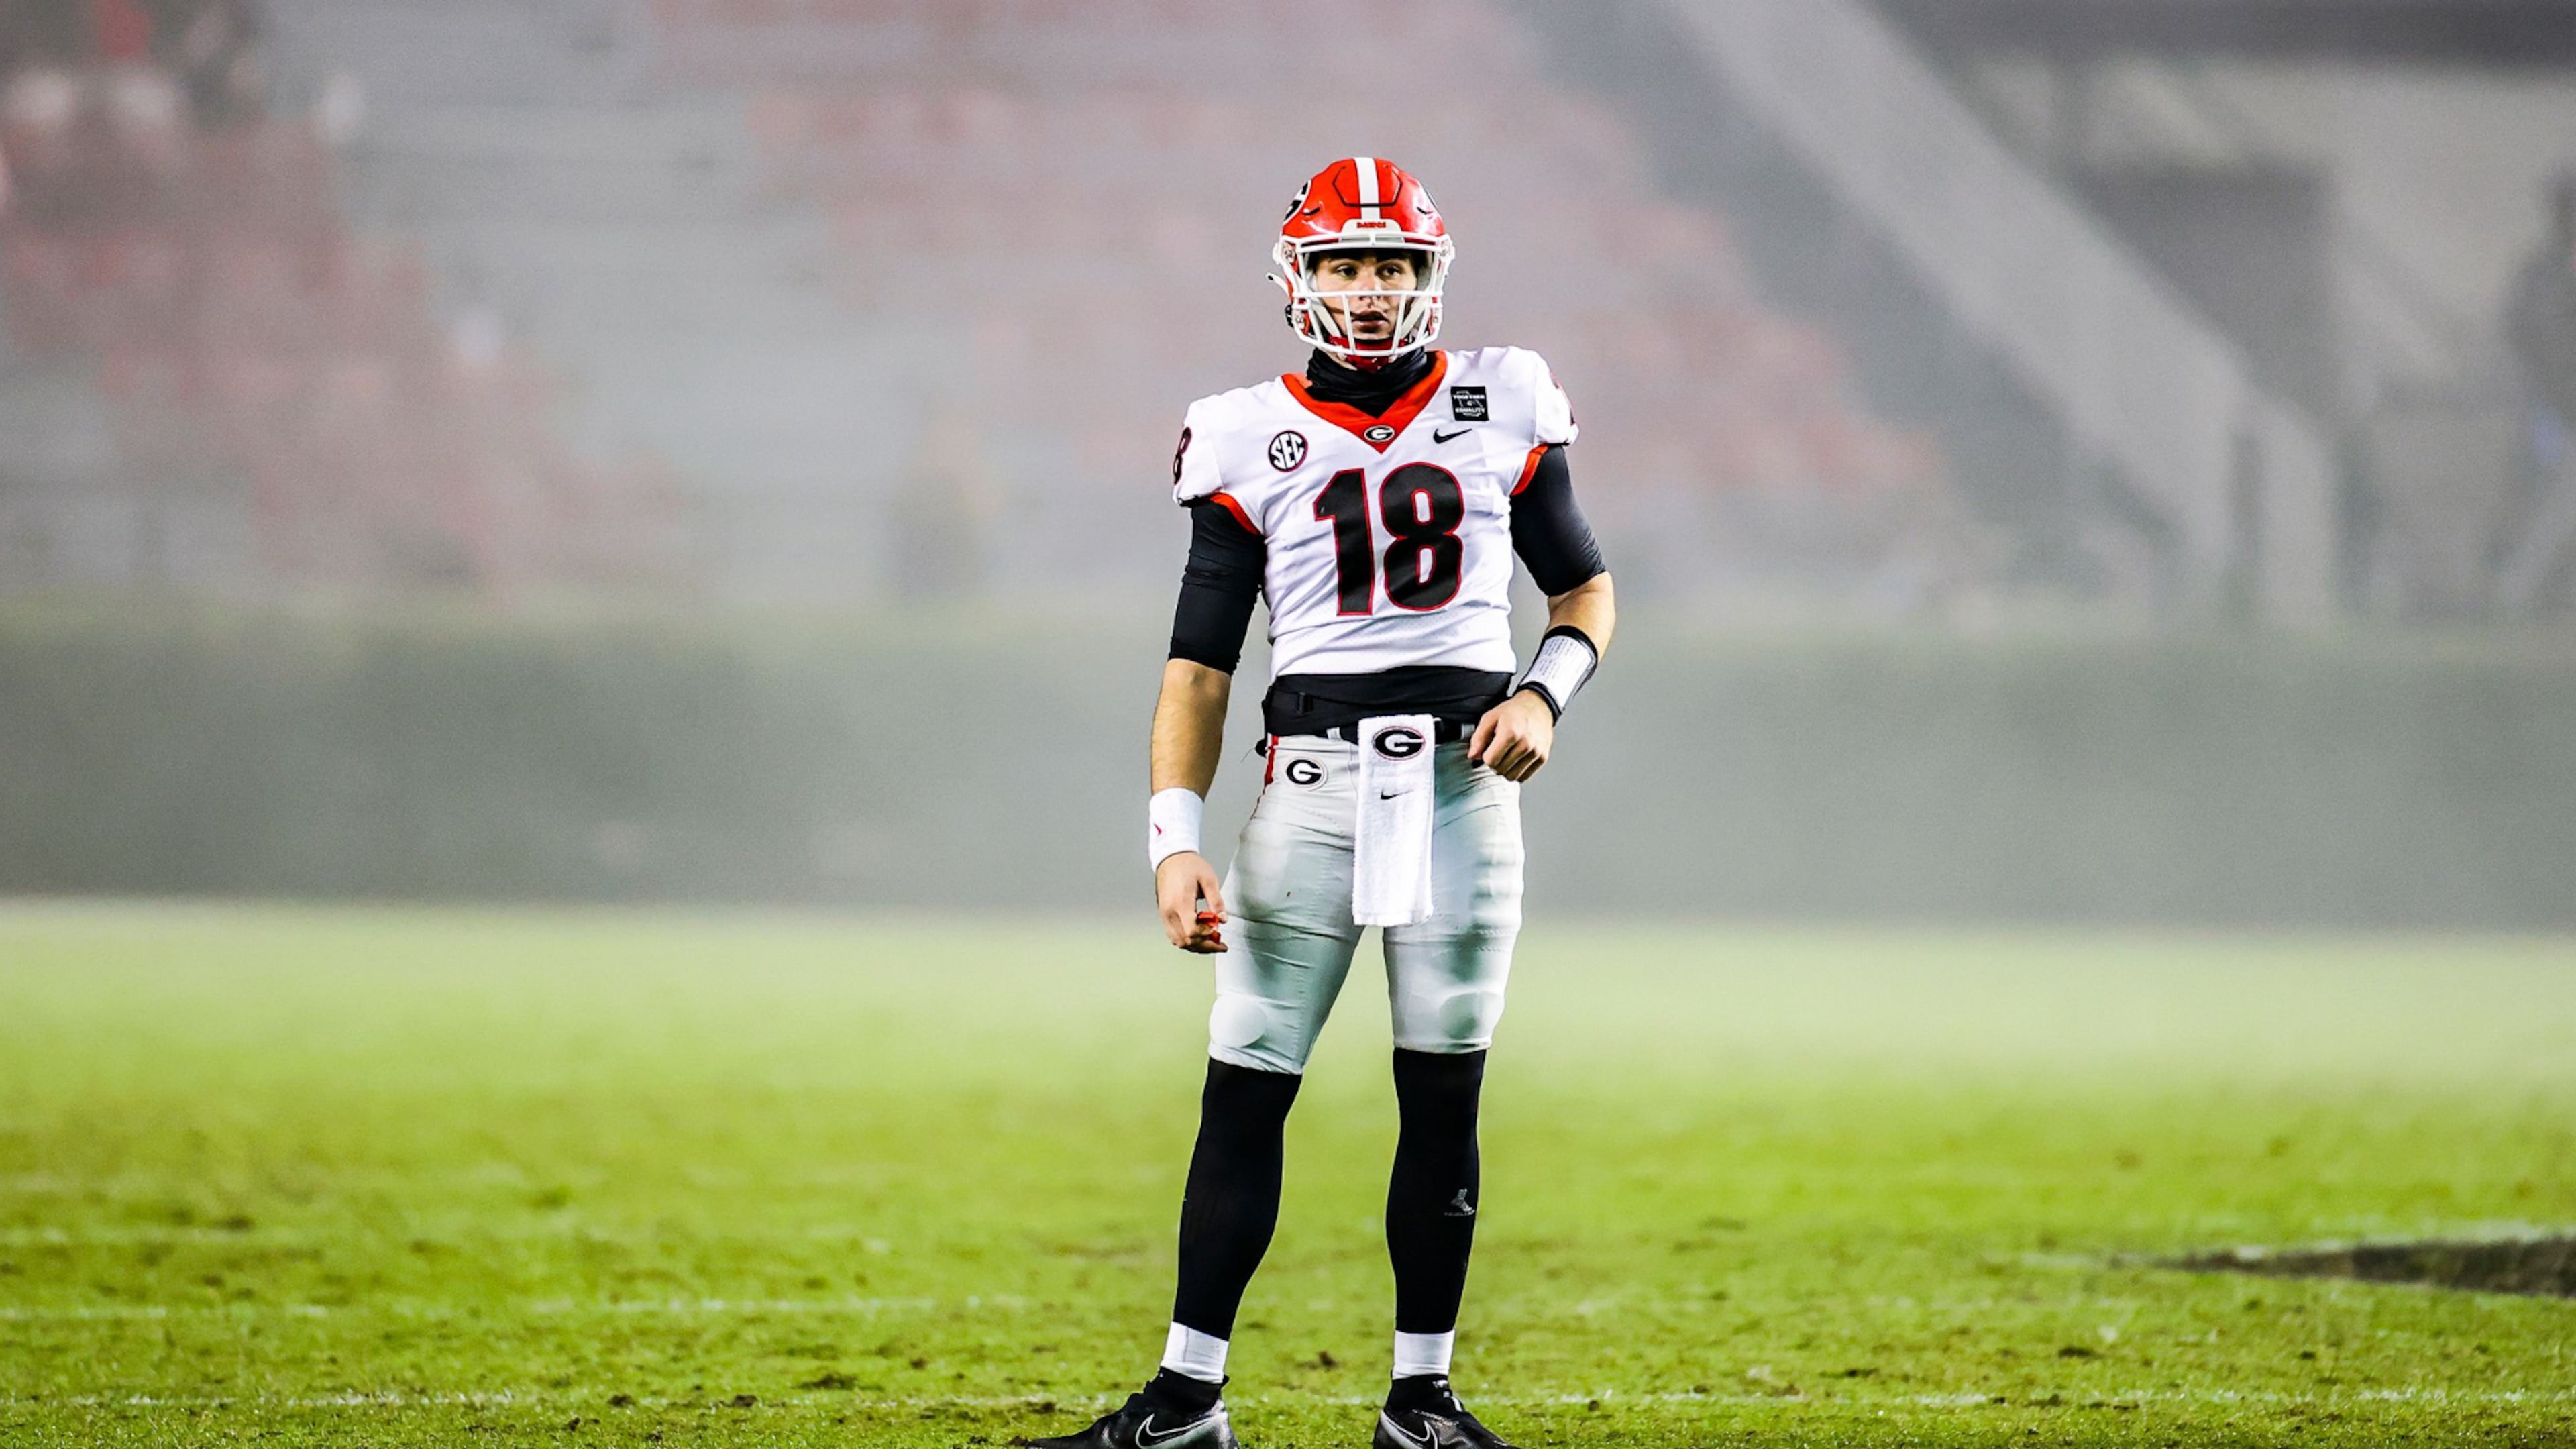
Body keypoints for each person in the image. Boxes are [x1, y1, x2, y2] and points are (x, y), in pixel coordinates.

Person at [1027, 158, 1615, 1449]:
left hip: (1463, 791)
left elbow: (1584, 594)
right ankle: (1187, 1404)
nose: (1369, 287)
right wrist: (1173, 841)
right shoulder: (1242, 430)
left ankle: (1421, 1402)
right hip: (1308, 789)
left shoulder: (1502, 396)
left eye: (1393, 264)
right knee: (1245, 1087)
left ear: (1431, 276)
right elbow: (1199, 667)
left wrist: (1544, 697)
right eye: (1347, 264)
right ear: (1300, 277)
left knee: (1443, 1095)